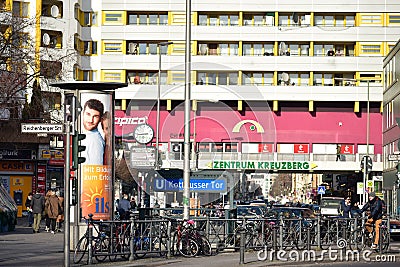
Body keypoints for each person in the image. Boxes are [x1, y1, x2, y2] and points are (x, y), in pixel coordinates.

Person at [82, 98, 105, 165]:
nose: (90, 120)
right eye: (88, 114)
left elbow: (95, 170)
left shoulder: (95, 140)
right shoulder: (86, 135)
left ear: (100, 119)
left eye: (95, 116)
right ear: (83, 113)